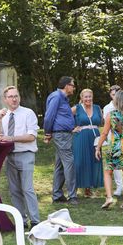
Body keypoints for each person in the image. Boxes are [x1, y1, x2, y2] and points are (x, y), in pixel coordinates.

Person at [0, 86, 40, 227]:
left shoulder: (28, 113)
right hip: (9, 156)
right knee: (14, 190)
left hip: (26, 155)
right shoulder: (3, 116)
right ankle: (22, 221)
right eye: (11, 96)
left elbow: (31, 136)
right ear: (5, 99)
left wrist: (10, 138)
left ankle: (35, 221)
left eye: (16, 96)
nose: (14, 99)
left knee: (27, 188)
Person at [95, 90, 123, 209]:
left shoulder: (111, 115)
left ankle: (109, 197)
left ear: (115, 101)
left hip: (114, 146)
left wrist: (98, 147)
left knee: (108, 171)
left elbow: (104, 133)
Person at [44, 76, 78, 205]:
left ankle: (57, 194)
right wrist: (47, 132)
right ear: (66, 86)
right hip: (61, 136)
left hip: (65, 134)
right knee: (69, 163)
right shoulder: (56, 97)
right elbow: (48, 116)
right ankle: (72, 196)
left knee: (60, 165)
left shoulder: (63, 98)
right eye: (73, 85)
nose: (74, 88)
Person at [72, 88, 103, 197]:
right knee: (79, 162)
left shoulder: (97, 108)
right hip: (81, 137)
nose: (88, 99)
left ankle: (88, 189)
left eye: (90, 96)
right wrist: (71, 128)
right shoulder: (77, 108)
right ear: (81, 98)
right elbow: (64, 117)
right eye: (85, 96)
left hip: (95, 138)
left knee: (93, 161)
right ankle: (73, 190)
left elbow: (101, 121)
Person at [103, 85, 123, 197]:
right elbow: (107, 125)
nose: (115, 96)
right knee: (115, 164)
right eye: (112, 94)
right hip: (113, 139)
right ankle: (119, 186)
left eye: (117, 94)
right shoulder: (107, 108)